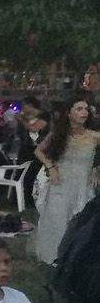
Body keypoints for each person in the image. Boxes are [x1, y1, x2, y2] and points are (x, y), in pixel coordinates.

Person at [34, 100, 98, 265]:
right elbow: (39, 151)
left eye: (86, 109)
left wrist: (97, 169)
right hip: (60, 183)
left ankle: (74, 258)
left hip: (82, 185)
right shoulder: (59, 134)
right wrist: (50, 166)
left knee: (79, 222)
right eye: (79, 109)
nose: (84, 112)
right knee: (58, 220)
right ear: (69, 113)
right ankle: (54, 256)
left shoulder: (93, 136)